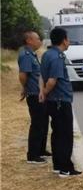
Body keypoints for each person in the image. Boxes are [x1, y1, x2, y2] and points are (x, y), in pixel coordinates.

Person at [40, 27, 82, 177]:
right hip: (60, 101)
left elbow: (41, 76)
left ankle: (58, 165)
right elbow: (52, 80)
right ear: (64, 40)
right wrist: (45, 92)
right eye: (68, 38)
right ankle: (65, 168)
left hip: (53, 101)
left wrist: (42, 92)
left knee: (57, 133)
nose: (69, 41)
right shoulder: (57, 57)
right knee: (65, 135)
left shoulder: (47, 54)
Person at [17, 30, 50, 164]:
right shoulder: (25, 55)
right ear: (29, 40)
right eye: (37, 39)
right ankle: (33, 155)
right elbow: (23, 75)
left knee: (44, 122)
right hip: (34, 94)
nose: (39, 41)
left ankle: (41, 149)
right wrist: (25, 88)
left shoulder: (32, 54)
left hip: (39, 93)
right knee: (37, 124)